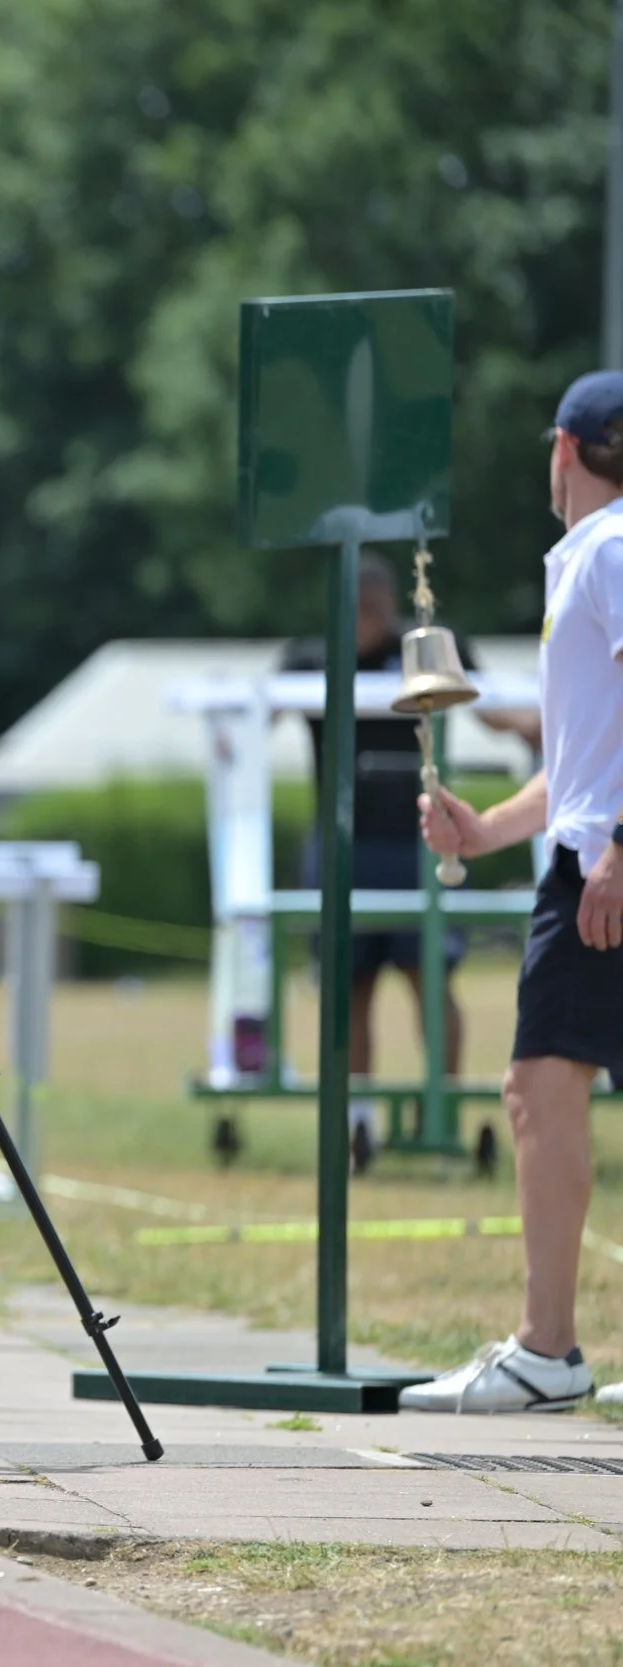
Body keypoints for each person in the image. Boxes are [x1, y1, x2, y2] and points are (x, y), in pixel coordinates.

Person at [400, 370, 623, 1415]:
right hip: (591, 853)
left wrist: (619, 846)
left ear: (564, 449)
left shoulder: (609, 548)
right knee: (541, 1088)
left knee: (538, 1087)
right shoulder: (591, 554)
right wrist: (488, 827)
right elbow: (584, 764)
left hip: (601, 872)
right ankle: (547, 1348)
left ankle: (545, 1350)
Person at [278, 554, 478, 1172]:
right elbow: (259, 712)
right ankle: (357, 1125)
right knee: (349, 987)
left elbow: (495, 707)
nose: (367, 621)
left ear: (392, 604)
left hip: (420, 842)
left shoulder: (427, 649)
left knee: (431, 980)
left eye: (376, 609)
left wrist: (537, 728)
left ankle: (440, 1120)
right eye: (356, 609)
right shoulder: (309, 658)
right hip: (343, 847)